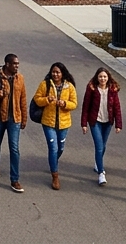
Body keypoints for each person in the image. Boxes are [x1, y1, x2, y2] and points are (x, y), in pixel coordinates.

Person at [0, 53, 29, 193]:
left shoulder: (20, 78)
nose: (17, 66)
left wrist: (24, 118)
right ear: (7, 64)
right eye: (14, 64)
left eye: (18, 64)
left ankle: (14, 179)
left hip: (14, 118)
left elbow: (23, 99)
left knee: (14, 148)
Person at [34, 62, 78, 190]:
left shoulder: (69, 86)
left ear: (62, 73)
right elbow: (37, 99)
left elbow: (74, 103)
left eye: (58, 72)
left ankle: (53, 161)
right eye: (53, 72)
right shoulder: (45, 84)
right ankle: (55, 175)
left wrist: (64, 104)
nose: (55, 74)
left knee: (60, 148)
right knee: (53, 148)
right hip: (48, 122)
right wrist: (46, 100)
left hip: (64, 123)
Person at [80, 66, 123, 187]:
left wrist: (118, 124)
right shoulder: (92, 89)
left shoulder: (112, 90)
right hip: (95, 121)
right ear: (97, 77)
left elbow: (117, 107)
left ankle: (97, 163)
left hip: (108, 122)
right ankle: (101, 173)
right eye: (100, 76)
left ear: (108, 77)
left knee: (103, 146)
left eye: (104, 76)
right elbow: (86, 106)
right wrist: (84, 124)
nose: (102, 78)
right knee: (99, 147)